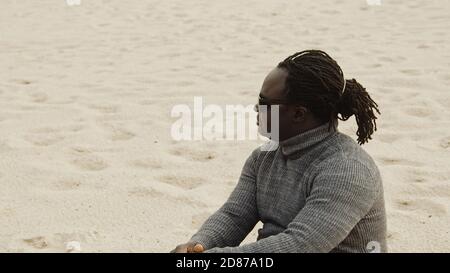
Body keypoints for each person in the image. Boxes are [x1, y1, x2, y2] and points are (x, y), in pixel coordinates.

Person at [172, 50, 387, 253]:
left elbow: (299, 245)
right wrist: (198, 245)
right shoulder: (263, 158)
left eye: (264, 103)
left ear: (298, 113)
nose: (256, 109)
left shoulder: (347, 169)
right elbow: (234, 216)